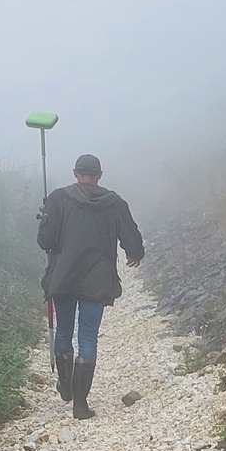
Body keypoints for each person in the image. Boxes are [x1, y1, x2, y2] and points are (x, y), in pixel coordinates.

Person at [35, 153, 144, 419]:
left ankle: (66, 385)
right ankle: (80, 404)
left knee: (64, 331)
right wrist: (134, 253)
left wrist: (46, 217)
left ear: (75, 173)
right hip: (97, 278)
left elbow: (45, 241)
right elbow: (132, 238)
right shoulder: (114, 202)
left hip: (64, 276)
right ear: (100, 175)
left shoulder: (58, 198)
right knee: (87, 337)